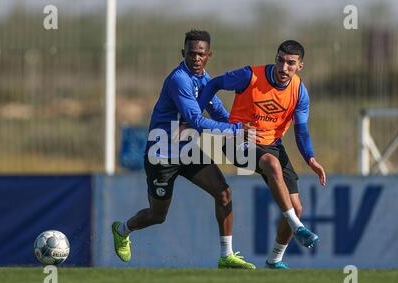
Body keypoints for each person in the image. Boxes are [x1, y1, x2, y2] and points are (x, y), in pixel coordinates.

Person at [111, 30, 255, 269]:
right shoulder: (179, 79)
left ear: (209, 55)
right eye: (191, 53)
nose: (196, 58)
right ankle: (122, 230)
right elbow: (196, 121)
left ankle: (226, 255)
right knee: (158, 216)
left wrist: (239, 127)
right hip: (162, 155)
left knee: (224, 193)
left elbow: (217, 110)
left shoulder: (204, 80)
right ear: (183, 54)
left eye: (200, 54)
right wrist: (238, 129)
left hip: (187, 150)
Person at [198, 40, 327, 269]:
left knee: (296, 207)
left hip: (272, 145)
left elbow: (301, 130)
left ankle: (275, 260)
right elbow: (214, 83)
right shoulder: (250, 76)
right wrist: (196, 113)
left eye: (290, 63)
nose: (283, 67)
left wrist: (311, 158)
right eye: (280, 60)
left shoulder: (299, 91)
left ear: (300, 66)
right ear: (275, 58)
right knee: (271, 163)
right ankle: (298, 228)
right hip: (237, 140)